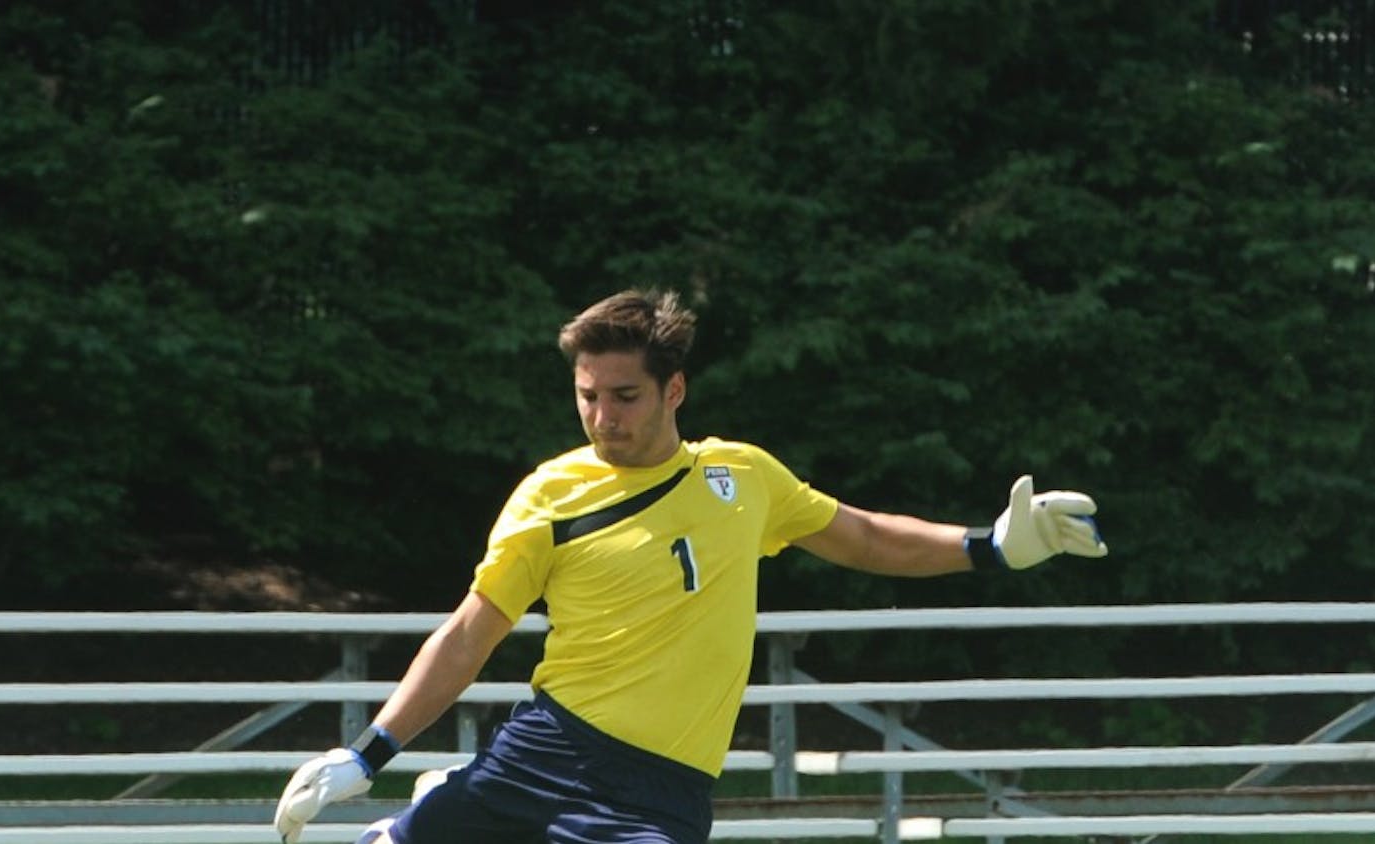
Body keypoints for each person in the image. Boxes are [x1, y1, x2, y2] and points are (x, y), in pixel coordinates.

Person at [274, 289, 1108, 844]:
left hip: (657, 793)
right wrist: (367, 754)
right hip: (543, 752)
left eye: (624, 395)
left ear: (674, 391)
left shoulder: (741, 477)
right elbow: (469, 634)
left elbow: (859, 537)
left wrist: (989, 546)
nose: (603, 416)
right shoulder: (548, 494)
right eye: (587, 394)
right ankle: (432, 804)